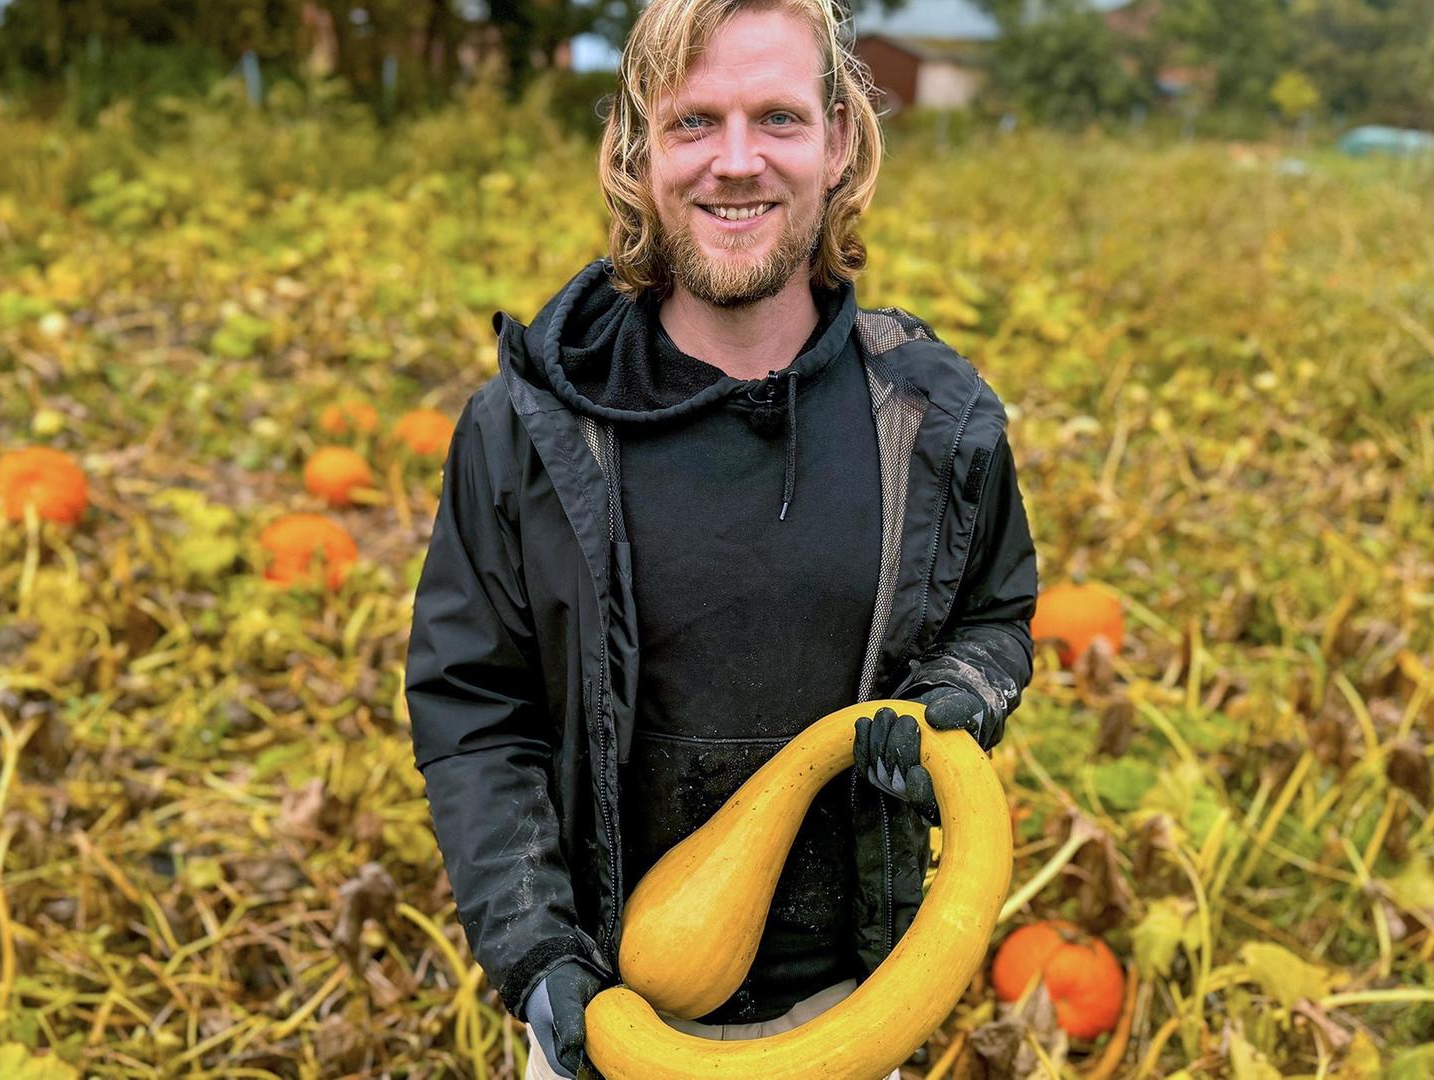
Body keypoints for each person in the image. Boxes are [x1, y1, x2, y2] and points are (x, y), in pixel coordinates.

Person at [403, 1, 1037, 1076]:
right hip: (608, 1010)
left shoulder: (936, 420)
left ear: (840, 140)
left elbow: (997, 615)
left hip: (849, 1014)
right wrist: (538, 956)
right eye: (694, 121)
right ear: (636, 148)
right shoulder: (527, 429)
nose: (736, 162)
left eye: (778, 118)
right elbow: (474, 711)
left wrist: (961, 694)